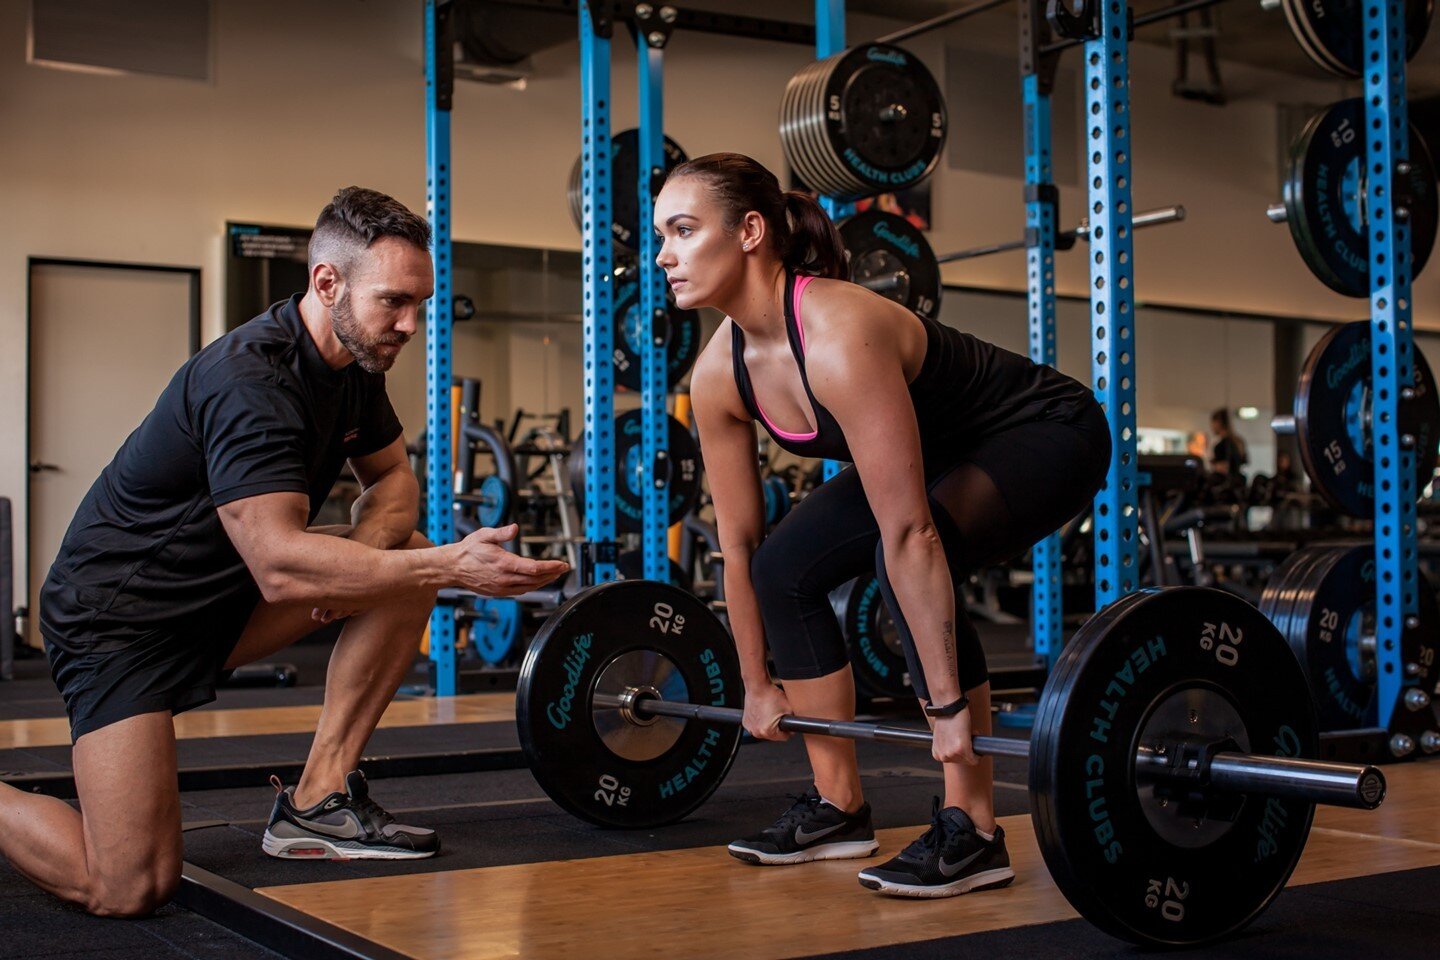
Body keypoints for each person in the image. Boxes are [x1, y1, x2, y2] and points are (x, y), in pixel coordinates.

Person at [0, 187, 569, 917]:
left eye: (420, 305)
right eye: (394, 302)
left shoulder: (355, 367)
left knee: (404, 561)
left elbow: (395, 478)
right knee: (129, 885)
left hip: (224, 602)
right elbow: (277, 563)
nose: (410, 325)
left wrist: (366, 557)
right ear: (327, 282)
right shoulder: (251, 383)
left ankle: (316, 801)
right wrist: (451, 567)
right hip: (122, 626)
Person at [659, 154, 1110, 898]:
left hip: (1043, 431)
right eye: (661, 236)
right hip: (936, 454)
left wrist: (946, 714)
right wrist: (753, 684)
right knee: (784, 568)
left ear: (748, 231)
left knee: (899, 557)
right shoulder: (719, 373)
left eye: (682, 230)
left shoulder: (838, 331)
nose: (665, 256)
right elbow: (737, 547)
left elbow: (910, 538)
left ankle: (975, 828)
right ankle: (839, 805)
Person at [1209, 408, 1248, 481]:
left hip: (1225, 483)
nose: (1212, 426)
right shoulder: (1238, 441)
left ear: (1218, 423)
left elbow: (1223, 469)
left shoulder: (1222, 445)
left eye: (1213, 423)